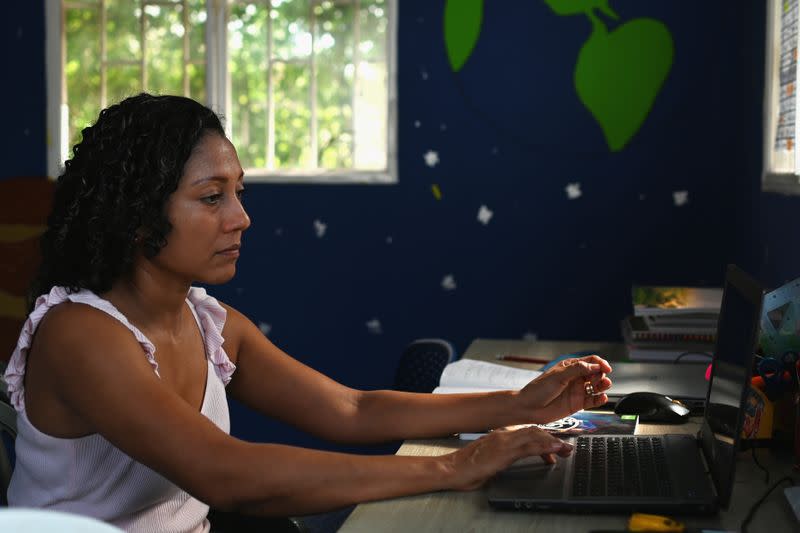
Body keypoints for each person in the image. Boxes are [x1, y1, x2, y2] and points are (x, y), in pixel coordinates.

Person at [2, 93, 613, 532]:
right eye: (212, 198)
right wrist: (458, 466)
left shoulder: (211, 323)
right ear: (137, 218)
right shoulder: (81, 333)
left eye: (240, 193)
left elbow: (351, 409)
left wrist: (519, 404)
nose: (240, 218)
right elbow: (225, 475)